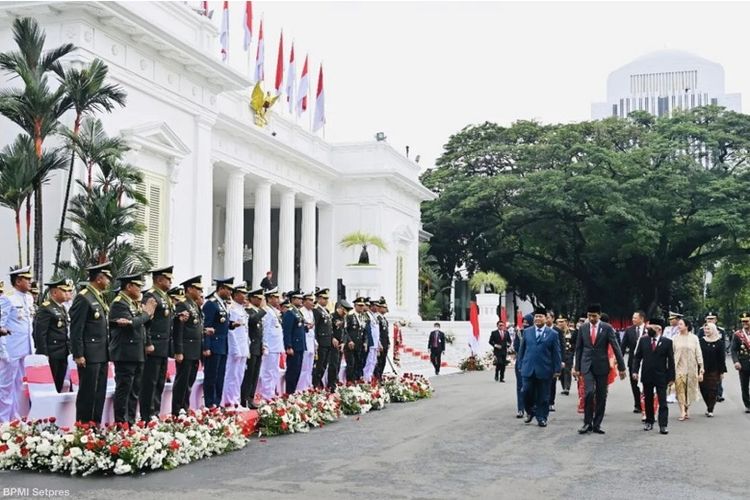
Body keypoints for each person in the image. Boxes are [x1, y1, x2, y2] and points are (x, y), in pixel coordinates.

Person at [68, 263, 113, 424]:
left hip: (101, 353)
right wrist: (78, 354)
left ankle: (95, 425)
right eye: (107, 277)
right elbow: (76, 329)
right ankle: (84, 427)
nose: (109, 281)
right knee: (88, 393)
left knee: (99, 393)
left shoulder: (99, 297)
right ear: (99, 278)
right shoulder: (84, 297)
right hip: (89, 354)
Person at [109, 274, 156, 424]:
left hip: (137, 351)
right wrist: (146, 313)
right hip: (125, 353)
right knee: (124, 390)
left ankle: (130, 421)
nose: (140, 289)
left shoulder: (133, 302)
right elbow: (132, 323)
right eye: (138, 286)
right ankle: (121, 423)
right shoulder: (119, 303)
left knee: (135, 391)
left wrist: (148, 316)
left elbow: (141, 324)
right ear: (129, 287)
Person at [573, 303, 626, 435]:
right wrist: (577, 367)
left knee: (601, 395)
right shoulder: (583, 328)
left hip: (602, 365)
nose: (592, 318)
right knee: (589, 392)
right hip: (587, 365)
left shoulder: (607, 328)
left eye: (594, 316)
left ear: (599, 316)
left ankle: (597, 424)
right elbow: (579, 348)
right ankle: (587, 423)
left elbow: (615, 346)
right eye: (589, 316)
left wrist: (621, 366)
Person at [139, 266, 181, 422]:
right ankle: (147, 415)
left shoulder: (164, 297)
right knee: (150, 382)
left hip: (163, 346)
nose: (170, 282)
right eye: (168, 279)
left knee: (159, 383)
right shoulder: (150, 296)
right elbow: (146, 323)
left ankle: (155, 412)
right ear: (159, 279)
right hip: (154, 346)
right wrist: (147, 343)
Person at [0, 267, 35, 422]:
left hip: (25, 348)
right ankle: (3, 420)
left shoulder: (29, 298)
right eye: (26, 279)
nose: (30, 282)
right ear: (18, 281)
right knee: (6, 386)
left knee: (21, 386)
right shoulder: (7, 298)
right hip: (10, 348)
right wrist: (2, 351)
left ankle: (16, 417)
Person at [517, 307, 561, 428]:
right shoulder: (527, 332)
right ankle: (530, 411)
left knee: (543, 395)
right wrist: (520, 364)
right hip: (528, 368)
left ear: (545, 319)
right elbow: (522, 350)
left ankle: (542, 417)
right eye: (536, 316)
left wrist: (557, 369)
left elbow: (556, 353)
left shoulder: (553, 334)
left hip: (545, 369)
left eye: (540, 316)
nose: (538, 318)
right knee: (525, 391)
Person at [32, 278, 74, 393]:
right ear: (54, 292)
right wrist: (43, 354)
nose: (67, 293)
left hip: (62, 352)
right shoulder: (46, 308)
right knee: (48, 386)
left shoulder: (62, 307)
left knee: (58, 385)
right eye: (63, 291)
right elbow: (40, 333)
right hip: (51, 353)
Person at [632, 321, 674, 434]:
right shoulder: (643, 340)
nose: (648, 330)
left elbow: (671, 361)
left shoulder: (667, 342)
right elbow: (637, 357)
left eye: (651, 328)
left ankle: (663, 425)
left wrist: (671, 377)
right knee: (648, 400)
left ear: (659, 329)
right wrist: (635, 371)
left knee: (662, 401)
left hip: (661, 376)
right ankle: (649, 421)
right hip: (647, 374)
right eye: (648, 328)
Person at [172, 276, 205, 416]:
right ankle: (177, 409)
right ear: (189, 289)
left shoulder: (193, 305)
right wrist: (178, 350)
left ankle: (185, 407)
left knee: (189, 382)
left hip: (195, 349)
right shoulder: (183, 304)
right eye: (198, 288)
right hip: (186, 349)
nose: (200, 291)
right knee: (182, 382)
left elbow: (194, 326)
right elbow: (178, 329)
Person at [202, 277, 233, 407]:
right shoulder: (211, 303)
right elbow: (206, 326)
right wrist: (206, 346)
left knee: (220, 376)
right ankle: (210, 404)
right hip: (213, 345)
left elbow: (221, 324)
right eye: (229, 290)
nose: (230, 293)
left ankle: (217, 402)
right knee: (211, 376)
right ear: (221, 288)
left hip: (222, 345)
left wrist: (231, 324)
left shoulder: (222, 304)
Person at [223, 283, 249, 406]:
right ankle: (229, 402)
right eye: (243, 293)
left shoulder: (241, 309)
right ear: (236, 295)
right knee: (231, 376)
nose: (245, 296)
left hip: (243, 346)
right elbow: (231, 331)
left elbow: (245, 330)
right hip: (235, 348)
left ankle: (236, 401)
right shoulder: (232, 309)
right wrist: (235, 349)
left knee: (239, 375)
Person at [672, 318, 704, 421]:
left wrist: (701, 367)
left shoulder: (694, 338)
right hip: (679, 368)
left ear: (687, 326)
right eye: (678, 324)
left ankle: (687, 408)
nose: (679, 326)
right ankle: (682, 411)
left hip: (691, 368)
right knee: (680, 389)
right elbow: (671, 353)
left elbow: (698, 353)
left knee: (689, 390)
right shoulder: (675, 338)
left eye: (681, 324)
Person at [240, 288, 266, 408]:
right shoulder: (248, 311)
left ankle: (250, 397)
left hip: (258, 347)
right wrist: (263, 310)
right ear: (252, 298)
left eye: (261, 299)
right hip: (251, 347)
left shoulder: (257, 311)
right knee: (249, 374)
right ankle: (244, 398)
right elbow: (252, 320)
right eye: (258, 298)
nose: (261, 301)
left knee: (255, 374)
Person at [258, 288, 284, 400]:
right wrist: (265, 344)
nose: (278, 300)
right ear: (269, 298)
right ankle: (266, 394)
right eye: (276, 297)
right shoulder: (267, 312)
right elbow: (266, 329)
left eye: (278, 297)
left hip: (276, 346)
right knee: (268, 372)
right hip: (270, 346)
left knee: (274, 371)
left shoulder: (274, 311)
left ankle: (272, 392)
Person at [699, 322, 726, 417]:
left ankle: (710, 409)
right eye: (705, 329)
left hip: (715, 370)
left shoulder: (719, 343)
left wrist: (722, 371)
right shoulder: (701, 341)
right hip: (702, 369)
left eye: (708, 329)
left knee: (713, 389)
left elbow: (722, 358)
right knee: (703, 388)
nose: (706, 331)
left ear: (713, 330)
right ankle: (708, 404)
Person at [621, 311, 647, 413]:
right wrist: (619, 360)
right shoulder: (629, 330)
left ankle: (646, 403)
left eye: (635, 318)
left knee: (646, 383)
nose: (633, 320)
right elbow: (623, 346)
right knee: (634, 383)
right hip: (633, 361)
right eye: (632, 318)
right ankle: (638, 404)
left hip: (646, 361)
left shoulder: (649, 329)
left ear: (641, 319)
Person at [312, 288, 337, 389]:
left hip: (327, 342)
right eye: (324, 298)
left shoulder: (326, 311)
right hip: (321, 342)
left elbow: (329, 328)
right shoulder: (316, 311)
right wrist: (316, 341)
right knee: (319, 365)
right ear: (318, 299)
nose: (326, 301)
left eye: (327, 299)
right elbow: (315, 327)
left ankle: (318, 383)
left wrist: (332, 338)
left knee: (323, 365)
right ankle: (315, 384)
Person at [282, 290, 306, 394]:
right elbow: (287, 331)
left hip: (300, 345)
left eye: (301, 298)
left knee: (297, 370)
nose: (301, 300)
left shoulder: (298, 311)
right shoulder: (290, 312)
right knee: (292, 370)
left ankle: (293, 391)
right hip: (294, 346)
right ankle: (289, 392)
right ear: (293, 299)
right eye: (299, 298)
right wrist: (288, 346)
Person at [701, 312, 727, 402]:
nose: (710, 320)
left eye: (712, 319)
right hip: (706, 357)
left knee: (717, 376)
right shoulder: (702, 330)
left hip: (717, 355)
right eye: (708, 319)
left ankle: (718, 394)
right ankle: (708, 393)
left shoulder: (721, 330)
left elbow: (723, 344)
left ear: (716, 320)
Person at [344, 297, 368, 381]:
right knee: (351, 364)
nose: (361, 307)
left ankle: (357, 380)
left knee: (359, 363)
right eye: (359, 305)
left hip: (359, 344)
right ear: (355, 306)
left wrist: (365, 342)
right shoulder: (350, 316)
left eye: (363, 306)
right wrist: (349, 340)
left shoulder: (363, 317)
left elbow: (364, 331)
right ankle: (350, 381)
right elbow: (345, 330)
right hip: (351, 344)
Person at [296, 293, 316, 391]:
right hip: (304, 341)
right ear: (304, 301)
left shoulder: (311, 312)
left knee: (310, 366)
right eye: (310, 300)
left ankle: (308, 385)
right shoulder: (301, 312)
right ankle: (301, 387)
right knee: (304, 366)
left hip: (311, 341)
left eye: (313, 300)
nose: (312, 302)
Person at [513, 314, 533, 418]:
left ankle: (530, 408)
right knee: (520, 386)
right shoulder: (519, 333)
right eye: (524, 322)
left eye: (527, 322)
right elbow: (516, 346)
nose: (525, 324)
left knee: (531, 387)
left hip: (532, 362)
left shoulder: (534, 333)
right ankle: (520, 409)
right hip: (521, 362)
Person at [730, 313, 750, 413]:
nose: (745, 323)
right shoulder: (738, 335)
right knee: (744, 385)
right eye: (743, 321)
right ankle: (747, 405)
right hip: (744, 363)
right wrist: (736, 361)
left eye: (746, 321)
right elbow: (733, 350)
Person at [363, 298, 382, 382]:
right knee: (369, 361)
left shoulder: (374, 316)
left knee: (373, 361)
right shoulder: (367, 315)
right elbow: (367, 330)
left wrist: (379, 343)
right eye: (376, 306)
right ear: (371, 306)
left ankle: (369, 377)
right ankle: (366, 378)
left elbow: (376, 331)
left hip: (375, 342)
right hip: (370, 342)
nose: (378, 307)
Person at [557, 315, 576, 396]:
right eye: (559, 322)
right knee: (561, 371)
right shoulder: (555, 331)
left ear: (566, 322)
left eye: (562, 321)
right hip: (559, 353)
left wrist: (573, 351)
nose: (560, 323)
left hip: (568, 353)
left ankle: (566, 388)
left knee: (567, 370)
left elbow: (575, 342)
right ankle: (563, 386)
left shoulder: (572, 331)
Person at [374, 297, 391, 380]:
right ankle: (377, 377)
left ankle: (379, 376)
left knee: (383, 361)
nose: (385, 309)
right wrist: (379, 343)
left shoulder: (384, 319)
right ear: (379, 308)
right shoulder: (377, 318)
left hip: (384, 343)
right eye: (384, 307)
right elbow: (377, 332)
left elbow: (386, 333)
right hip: (379, 343)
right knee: (378, 362)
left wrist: (388, 342)